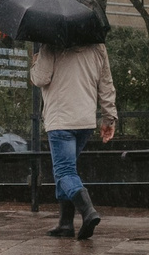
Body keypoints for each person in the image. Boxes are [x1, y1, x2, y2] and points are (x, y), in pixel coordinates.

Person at [30, 37, 116, 240]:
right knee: (67, 169)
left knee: (64, 171)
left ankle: (88, 212)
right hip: (85, 121)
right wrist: (109, 118)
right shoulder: (97, 46)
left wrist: (35, 63)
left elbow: (40, 79)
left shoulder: (51, 43)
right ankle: (65, 224)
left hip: (61, 120)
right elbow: (106, 84)